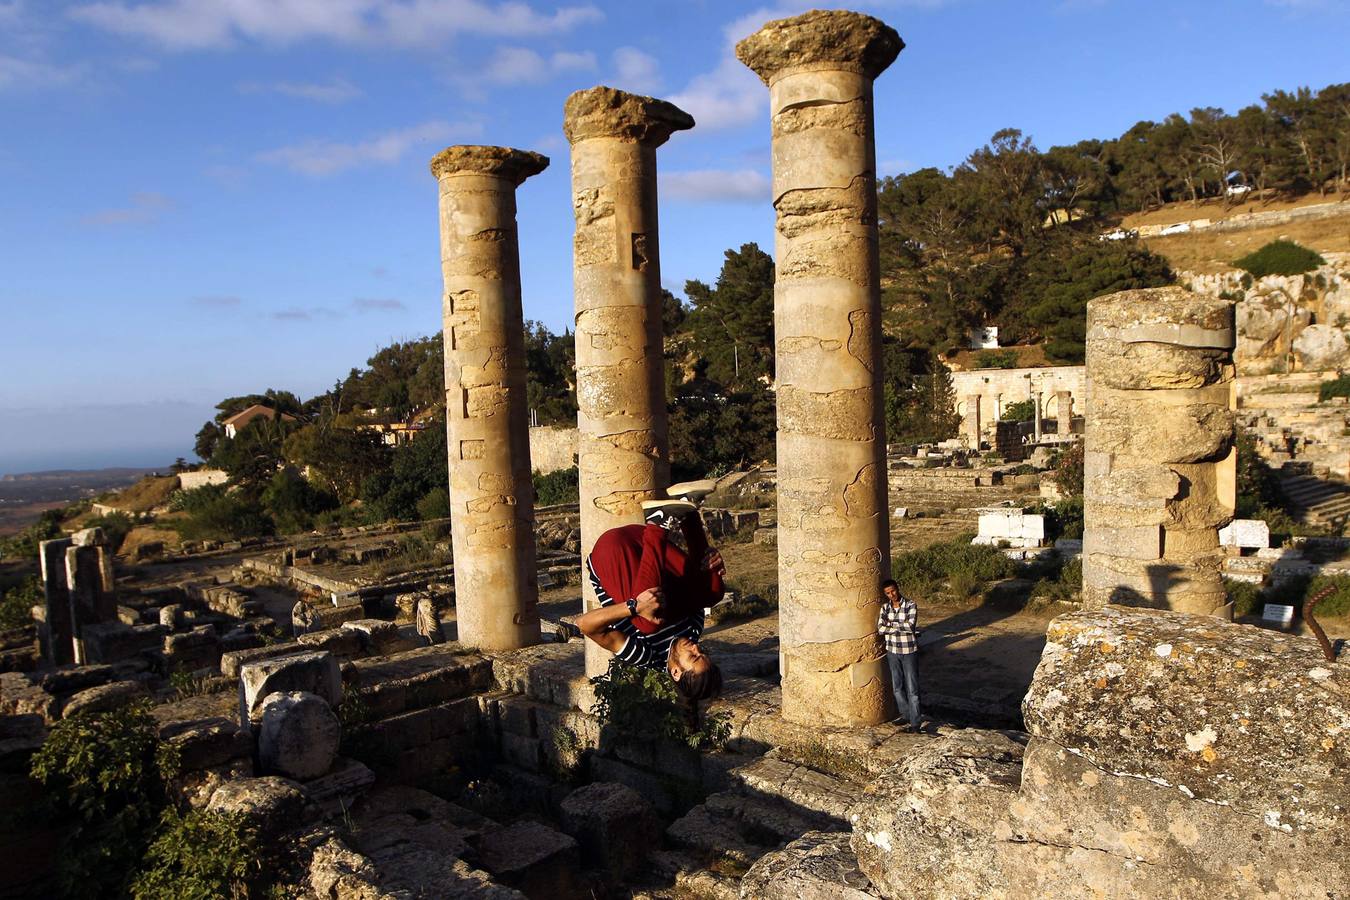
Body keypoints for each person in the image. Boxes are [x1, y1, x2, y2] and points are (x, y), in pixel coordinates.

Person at [576, 494, 725, 715]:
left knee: (648, 624)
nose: (696, 646)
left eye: (693, 656)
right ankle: (688, 510)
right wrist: (710, 566)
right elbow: (692, 584)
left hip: (613, 552)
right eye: (702, 652)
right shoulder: (694, 628)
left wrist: (634, 607)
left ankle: (658, 522)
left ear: (675, 672)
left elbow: (583, 624)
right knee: (713, 593)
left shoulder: (646, 655)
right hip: (646, 542)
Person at [877, 578, 920, 730]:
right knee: (897, 687)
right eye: (888, 593)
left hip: (909, 651)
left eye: (893, 591)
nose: (892, 595)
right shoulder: (884, 608)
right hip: (892, 651)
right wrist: (898, 626)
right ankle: (906, 714)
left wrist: (891, 625)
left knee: (912, 689)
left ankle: (915, 724)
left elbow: (910, 626)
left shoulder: (911, 605)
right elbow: (880, 629)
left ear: (898, 588)